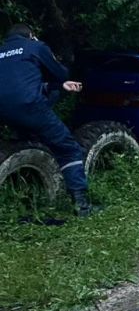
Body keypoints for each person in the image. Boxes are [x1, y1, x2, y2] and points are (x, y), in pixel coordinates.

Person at [0, 23, 97, 215]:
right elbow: (61, 73)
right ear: (31, 35)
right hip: (29, 106)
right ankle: (82, 206)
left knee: (26, 138)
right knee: (69, 149)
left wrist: (57, 87)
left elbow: (16, 84)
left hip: (4, 111)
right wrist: (60, 81)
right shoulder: (35, 46)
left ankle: (26, 140)